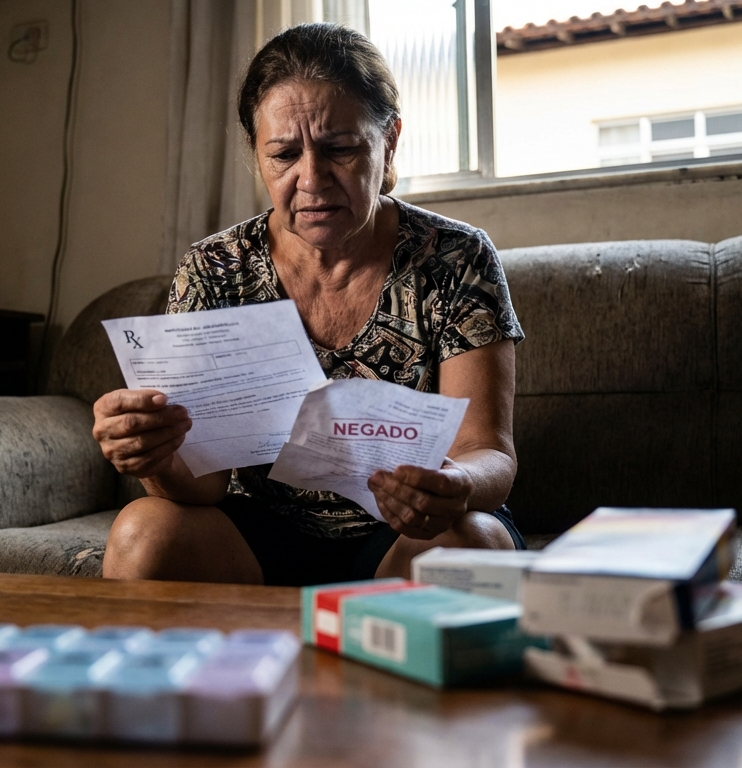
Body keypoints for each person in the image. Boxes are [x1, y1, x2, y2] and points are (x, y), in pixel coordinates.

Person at [94, 23, 525, 587]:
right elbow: (203, 485)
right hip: (258, 530)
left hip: (407, 533)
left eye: (340, 149)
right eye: (283, 155)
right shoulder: (215, 270)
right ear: (257, 154)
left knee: (475, 545)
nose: (311, 179)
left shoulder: (455, 257)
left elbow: (487, 450)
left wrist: (453, 486)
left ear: (389, 140)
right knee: (142, 532)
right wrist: (153, 454)